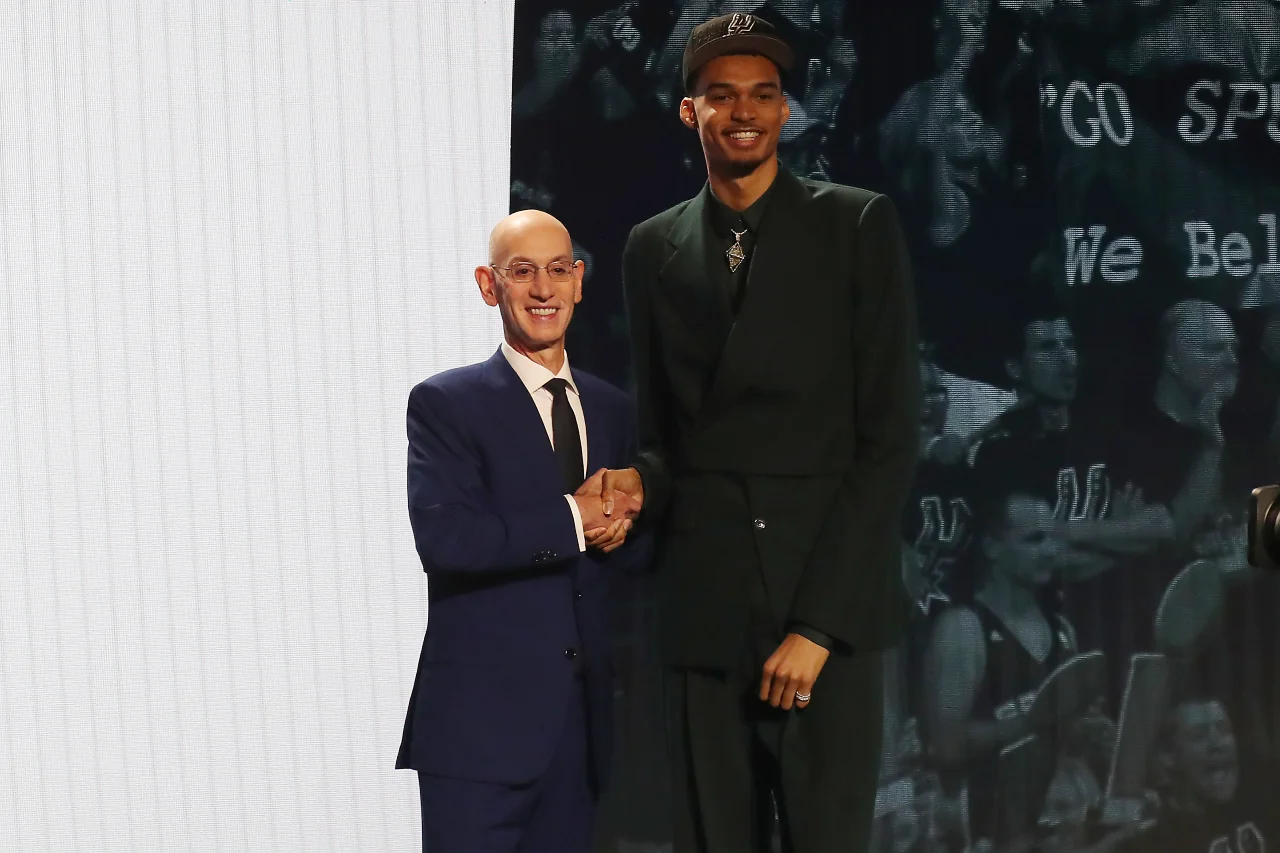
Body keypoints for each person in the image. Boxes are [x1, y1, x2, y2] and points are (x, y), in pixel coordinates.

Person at [590, 12, 921, 850]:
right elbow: (669, 436)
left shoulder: (856, 225)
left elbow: (885, 441)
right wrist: (639, 482)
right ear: (688, 111)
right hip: (707, 606)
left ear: (784, 112)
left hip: (824, 612)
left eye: (764, 95)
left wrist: (817, 629)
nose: (745, 111)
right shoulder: (649, 247)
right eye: (722, 95)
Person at [394, 210, 648, 853]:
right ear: (489, 285)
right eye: (522, 272)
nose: (543, 288)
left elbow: (621, 561)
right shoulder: (447, 403)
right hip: (480, 734)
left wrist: (630, 525)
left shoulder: (613, 409)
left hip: (578, 735)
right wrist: (574, 518)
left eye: (558, 270)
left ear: (580, 282)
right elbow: (447, 540)